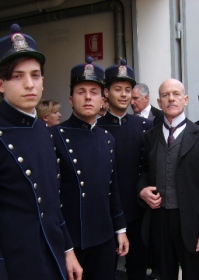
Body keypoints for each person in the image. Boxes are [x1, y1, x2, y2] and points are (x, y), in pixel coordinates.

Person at [0, 23, 82, 280]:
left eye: (35, 75)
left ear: (43, 81)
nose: (28, 84)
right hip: (16, 264)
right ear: (1, 84)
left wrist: (68, 249)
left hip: (52, 255)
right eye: (17, 76)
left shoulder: (42, 129)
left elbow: (51, 203)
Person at [50, 57, 129, 280]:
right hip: (73, 241)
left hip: (104, 239)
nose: (87, 97)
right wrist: (66, 247)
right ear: (70, 99)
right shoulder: (55, 136)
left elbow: (112, 190)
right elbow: (51, 200)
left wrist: (120, 229)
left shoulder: (107, 138)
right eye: (81, 91)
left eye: (94, 92)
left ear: (103, 99)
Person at [138, 78, 199, 280]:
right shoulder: (149, 136)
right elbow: (144, 171)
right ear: (159, 102)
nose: (171, 99)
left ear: (186, 100)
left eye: (176, 94)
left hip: (192, 224)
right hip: (159, 222)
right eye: (166, 95)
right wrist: (142, 189)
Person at [97, 59, 153, 280]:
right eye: (117, 89)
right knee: (105, 270)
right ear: (106, 92)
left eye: (128, 90)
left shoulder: (145, 127)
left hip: (138, 211)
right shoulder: (97, 128)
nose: (123, 95)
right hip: (107, 214)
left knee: (138, 269)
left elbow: (150, 167)